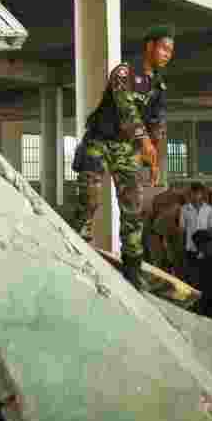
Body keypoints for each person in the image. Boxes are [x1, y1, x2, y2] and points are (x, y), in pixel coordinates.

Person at [70, 24, 173, 287]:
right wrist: (146, 144)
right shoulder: (123, 73)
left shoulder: (159, 85)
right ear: (149, 46)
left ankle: (133, 267)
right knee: (90, 200)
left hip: (128, 149)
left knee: (133, 209)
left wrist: (156, 159)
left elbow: (158, 124)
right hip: (100, 142)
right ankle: (75, 251)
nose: (167, 54)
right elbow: (128, 112)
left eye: (170, 50)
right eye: (163, 47)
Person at [180, 183, 212, 280]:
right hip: (190, 247)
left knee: (204, 274)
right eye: (193, 193)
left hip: (204, 248)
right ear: (190, 194)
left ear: (202, 194)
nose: (195, 195)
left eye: (198, 193)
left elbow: (210, 228)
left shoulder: (208, 209)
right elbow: (182, 229)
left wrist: (208, 246)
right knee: (190, 274)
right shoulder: (184, 209)